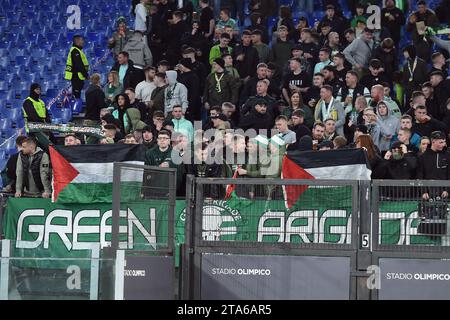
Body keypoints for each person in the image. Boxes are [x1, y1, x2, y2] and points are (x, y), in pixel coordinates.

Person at [417, 131, 450, 200]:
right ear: (433, 141)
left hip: (444, 193)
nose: (444, 144)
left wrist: (447, 190)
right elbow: (420, 175)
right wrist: (423, 191)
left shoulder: (447, 156)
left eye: (444, 142)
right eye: (441, 142)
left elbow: (448, 174)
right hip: (428, 194)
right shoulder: (422, 157)